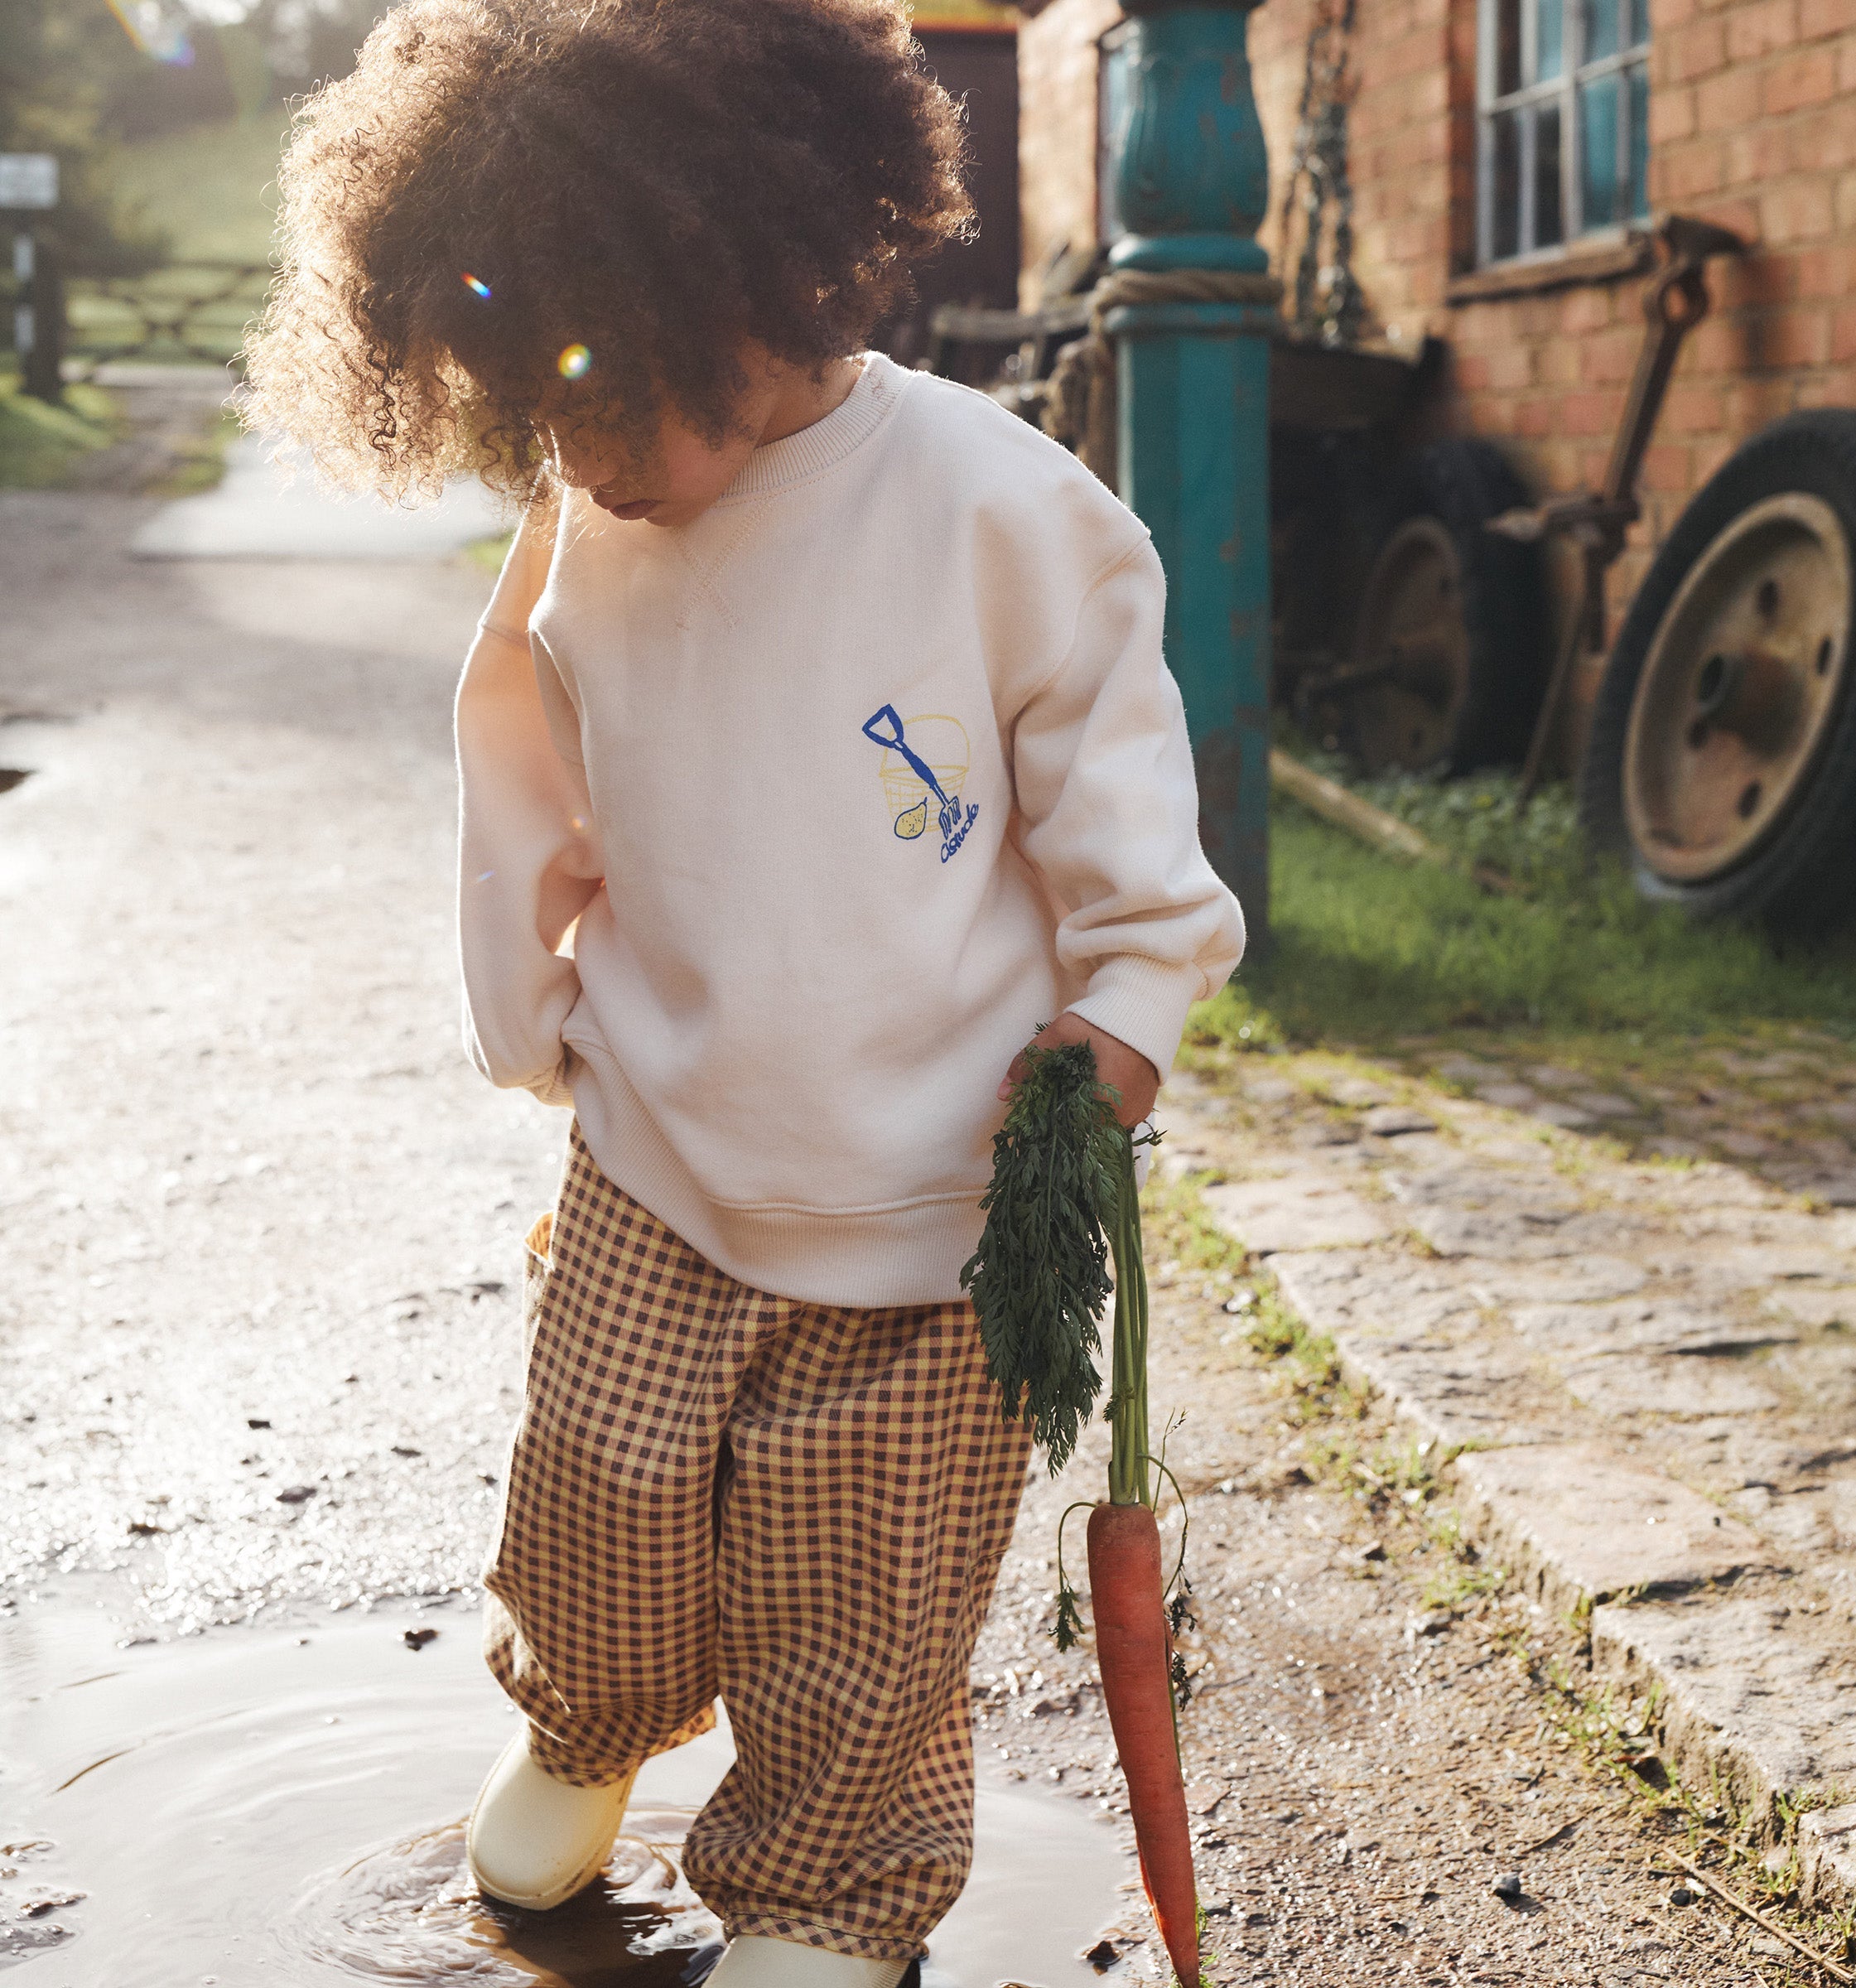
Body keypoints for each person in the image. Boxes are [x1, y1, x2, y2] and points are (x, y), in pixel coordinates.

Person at [241, 2, 1244, 1982]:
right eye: (539, 407)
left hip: (928, 1222)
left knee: (858, 1618)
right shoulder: (585, 527)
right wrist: (528, 1000)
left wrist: (1121, 1022)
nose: (590, 453)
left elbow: (1136, 841)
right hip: (657, 1167)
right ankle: (586, 1727)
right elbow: (519, 762)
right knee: (597, 1516)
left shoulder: (1006, 516)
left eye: (616, 387)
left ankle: (823, 1895)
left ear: (773, 281)